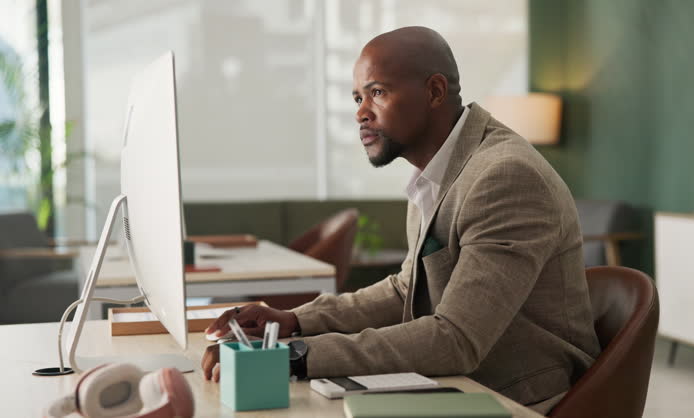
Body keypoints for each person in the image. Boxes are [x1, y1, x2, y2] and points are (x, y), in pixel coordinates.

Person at [203, 26, 601, 414]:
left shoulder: (506, 176)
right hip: (460, 384)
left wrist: (293, 355)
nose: (361, 113)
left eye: (377, 92)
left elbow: (456, 339)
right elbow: (405, 291)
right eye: (357, 97)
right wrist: (294, 322)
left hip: (521, 400)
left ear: (435, 91)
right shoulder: (436, 173)